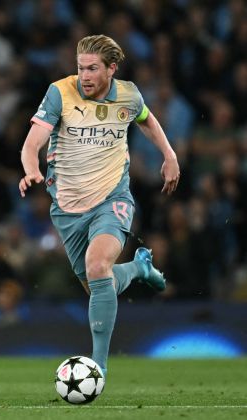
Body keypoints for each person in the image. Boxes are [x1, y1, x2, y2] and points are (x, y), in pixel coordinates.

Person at [18, 35, 180, 376]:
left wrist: (169, 155)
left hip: (112, 199)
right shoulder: (60, 92)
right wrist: (31, 171)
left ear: (111, 69)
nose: (85, 76)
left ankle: (98, 368)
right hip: (67, 207)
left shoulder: (128, 94)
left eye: (92, 68)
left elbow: (146, 119)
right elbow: (32, 144)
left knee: (97, 266)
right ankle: (138, 269)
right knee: (96, 283)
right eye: (80, 68)